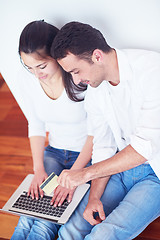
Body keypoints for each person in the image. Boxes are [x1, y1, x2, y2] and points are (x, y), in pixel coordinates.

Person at [51, 21, 160, 239]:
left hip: (155, 173)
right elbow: (103, 145)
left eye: (76, 71)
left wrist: (83, 174)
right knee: (71, 229)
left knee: (104, 234)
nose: (76, 80)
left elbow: (144, 147)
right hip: (118, 167)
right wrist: (94, 197)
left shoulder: (152, 72)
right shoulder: (96, 89)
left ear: (97, 56)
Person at [11, 20, 93, 240]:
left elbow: (98, 133)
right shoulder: (25, 80)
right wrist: (38, 169)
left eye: (42, 66)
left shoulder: (79, 79)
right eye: (29, 67)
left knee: (44, 224)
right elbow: (35, 124)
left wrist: (75, 174)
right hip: (55, 153)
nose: (36, 74)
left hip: (86, 159)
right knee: (27, 215)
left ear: (57, 56)